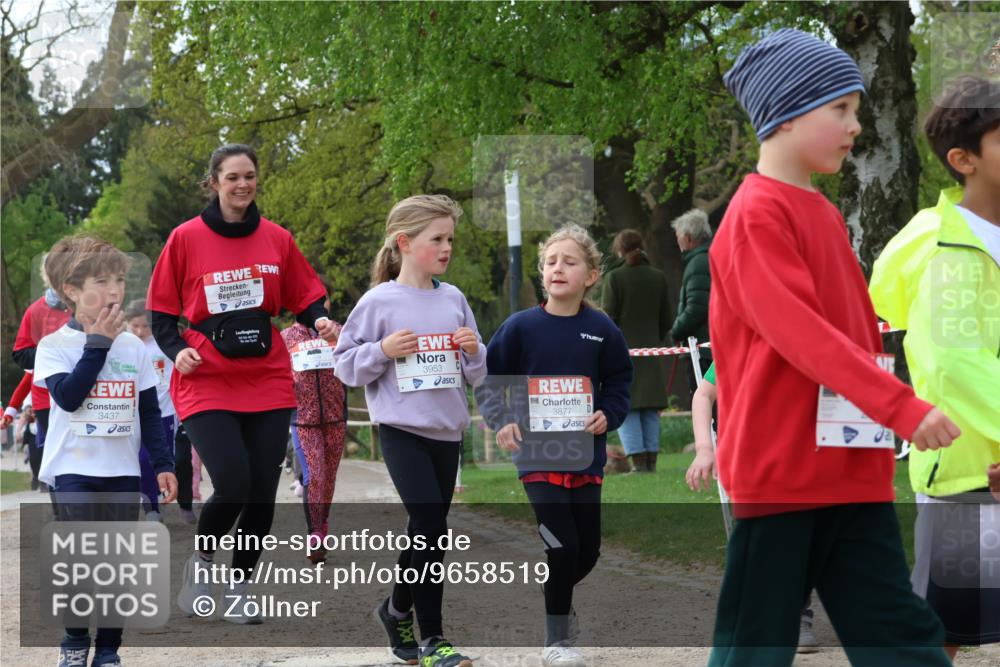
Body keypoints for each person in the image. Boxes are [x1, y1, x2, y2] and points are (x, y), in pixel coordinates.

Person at [708, 28, 959, 665]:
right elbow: (803, 336)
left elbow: (851, 335)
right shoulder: (754, 217)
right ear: (786, 115)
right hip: (783, 472)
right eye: (840, 108)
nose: (856, 125)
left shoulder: (818, 210)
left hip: (853, 468)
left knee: (901, 637)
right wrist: (900, 407)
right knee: (755, 647)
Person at [146, 144, 336, 624]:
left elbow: (305, 296)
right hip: (205, 374)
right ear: (214, 183)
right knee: (232, 481)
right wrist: (176, 350)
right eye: (232, 177)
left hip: (267, 375)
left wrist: (321, 322)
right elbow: (162, 314)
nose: (242, 184)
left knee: (261, 492)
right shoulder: (185, 238)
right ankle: (203, 563)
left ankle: (240, 587)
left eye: (249, 176)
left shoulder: (277, 239)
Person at [869, 75, 1000, 657]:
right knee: (944, 633)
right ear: (963, 159)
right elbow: (953, 367)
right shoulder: (940, 246)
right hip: (968, 477)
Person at [334, 194, 485, 667]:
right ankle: (432, 640)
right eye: (437, 239)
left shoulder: (454, 298)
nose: (446, 248)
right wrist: (381, 349)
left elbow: (479, 373)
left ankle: (395, 609)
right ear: (404, 243)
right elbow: (344, 367)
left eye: (450, 239)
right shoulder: (379, 301)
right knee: (432, 527)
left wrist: (473, 349)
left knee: (429, 534)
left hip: (447, 431)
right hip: (401, 430)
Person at [478, 224, 632, 667]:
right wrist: (502, 419)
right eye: (550, 262)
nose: (558, 268)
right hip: (536, 457)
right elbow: (489, 381)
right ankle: (557, 641)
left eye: (570, 261)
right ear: (542, 275)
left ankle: (556, 590)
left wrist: (610, 413)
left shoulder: (602, 329)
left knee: (587, 551)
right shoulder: (520, 327)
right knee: (560, 546)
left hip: (586, 456)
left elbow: (620, 380)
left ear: (591, 276)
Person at [33, 234, 177, 667]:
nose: (115, 290)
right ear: (72, 291)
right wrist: (98, 344)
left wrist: (165, 464)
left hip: (121, 470)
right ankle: (74, 643)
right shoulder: (54, 346)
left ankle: (109, 650)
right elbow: (70, 396)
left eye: (118, 279)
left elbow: (150, 413)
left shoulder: (134, 347)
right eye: (101, 280)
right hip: (72, 469)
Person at [685, 360, 819, 653]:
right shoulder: (739, 338)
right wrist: (705, 449)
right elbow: (703, 395)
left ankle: (797, 615)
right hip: (748, 458)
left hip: (798, 453)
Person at [280, 294, 346, 564]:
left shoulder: (341, 332)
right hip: (303, 419)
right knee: (315, 474)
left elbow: (356, 363)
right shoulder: (286, 338)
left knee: (328, 479)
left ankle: (323, 523)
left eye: (322, 300)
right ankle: (315, 534)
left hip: (335, 417)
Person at [601, 229, 671, 472]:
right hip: (652, 351)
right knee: (651, 406)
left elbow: (607, 320)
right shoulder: (658, 277)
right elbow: (666, 319)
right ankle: (651, 464)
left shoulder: (614, 278)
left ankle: (638, 465)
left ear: (619, 250)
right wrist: (654, 340)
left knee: (626, 406)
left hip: (622, 352)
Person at [125, 299, 195, 524]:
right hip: (132, 413)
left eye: (145, 326)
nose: (139, 331)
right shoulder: (123, 346)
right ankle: (151, 508)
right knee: (143, 460)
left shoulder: (164, 344)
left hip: (165, 412)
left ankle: (183, 503)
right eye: (134, 326)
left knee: (174, 461)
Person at [12, 254, 72, 454]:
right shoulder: (35, 310)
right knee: (55, 457)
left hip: (87, 394)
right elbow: (20, 355)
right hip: (46, 398)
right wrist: (52, 351)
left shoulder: (90, 305)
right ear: (47, 276)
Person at [668, 208, 713, 393]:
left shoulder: (698, 263)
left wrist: (677, 330)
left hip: (702, 351)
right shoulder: (708, 257)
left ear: (687, 238)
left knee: (703, 402)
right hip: (708, 347)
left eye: (678, 236)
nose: (677, 240)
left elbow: (697, 306)